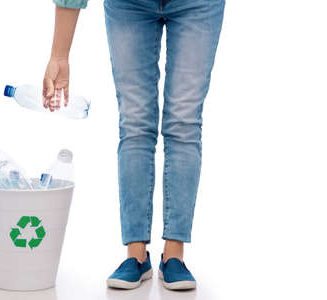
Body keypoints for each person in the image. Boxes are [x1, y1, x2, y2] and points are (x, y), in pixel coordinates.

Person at [43, 0, 225, 290]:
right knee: (135, 123)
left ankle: (174, 255)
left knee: (184, 122)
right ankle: (136, 256)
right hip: (128, 5)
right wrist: (59, 55)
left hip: (197, 4)